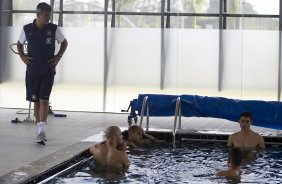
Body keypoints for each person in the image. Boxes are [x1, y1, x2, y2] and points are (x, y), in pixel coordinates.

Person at [17, 2, 68, 145]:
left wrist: (58, 56)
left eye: (49, 16)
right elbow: (19, 44)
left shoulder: (53, 29)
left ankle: (41, 132)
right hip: (32, 71)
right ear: (38, 15)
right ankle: (39, 128)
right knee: (36, 101)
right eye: (46, 16)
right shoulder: (27, 29)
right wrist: (22, 56)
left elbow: (64, 43)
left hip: (48, 71)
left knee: (44, 100)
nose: (48, 19)